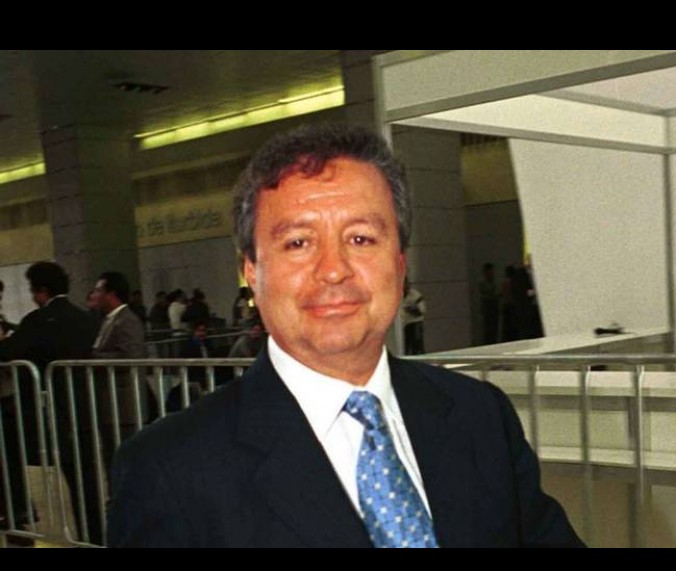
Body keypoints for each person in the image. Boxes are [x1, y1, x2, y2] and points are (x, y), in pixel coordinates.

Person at [108, 123, 583, 548]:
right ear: (252, 271)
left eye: (360, 239)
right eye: (298, 243)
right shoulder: (170, 470)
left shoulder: (480, 415)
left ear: (399, 263)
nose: (333, 270)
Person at [0, 262, 102, 544]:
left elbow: (9, 351)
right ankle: (95, 536)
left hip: (49, 409)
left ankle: (19, 522)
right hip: (84, 405)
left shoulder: (39, 321)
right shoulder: (85, 318)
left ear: (42, 291)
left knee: (13, 456)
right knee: (85, 479)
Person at [92, 272, 149, 481]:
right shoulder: (108, 320)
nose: (95, 295)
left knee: (126, 463)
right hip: (111, 405)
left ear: (111, 294)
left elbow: (132, 356)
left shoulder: (127, 321)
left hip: (124, 406)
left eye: (99, 290)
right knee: (113, 461)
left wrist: (95, 358)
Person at [401, 278, 426, 355]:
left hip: (414, 323)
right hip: (403, 324)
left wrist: (410, 309)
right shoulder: (396, 295)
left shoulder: (415, 295)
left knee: (416, 345)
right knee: (405, 347)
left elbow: (422, 311)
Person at [478, 262, 499, 345]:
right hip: (487, 304)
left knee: (494, 325)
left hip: (493, 304)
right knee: (488, 326)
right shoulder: (482, 282)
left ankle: (493, 340)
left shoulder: (493, 281)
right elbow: (487, 292)